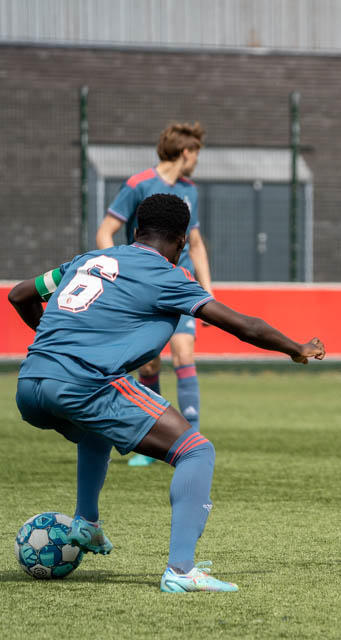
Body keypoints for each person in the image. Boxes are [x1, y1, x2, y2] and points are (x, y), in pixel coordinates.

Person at [10, 194, 325, 592]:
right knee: (195, 451)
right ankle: (180, 570)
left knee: (96, 428)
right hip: (83, 382)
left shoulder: (86, 261)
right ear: (180, 241)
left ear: (135, 230)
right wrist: (295, 347)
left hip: (30, 384)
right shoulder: (168, 274)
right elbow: (242, 325)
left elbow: (20, 294)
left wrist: (55, 344)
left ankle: (86, 523)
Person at [95, 122, 212, 466]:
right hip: (143, 287)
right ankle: (153, 440)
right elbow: (106, 232)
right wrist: (117, 271)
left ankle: (192, 437)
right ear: (187, 152)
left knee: (183, 350)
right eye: (197, 155)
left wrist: (207, 289)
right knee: (148, 361)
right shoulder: (137, 184)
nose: (196, 162)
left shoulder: (190, 191)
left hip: (179, 284)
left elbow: (196, 244)